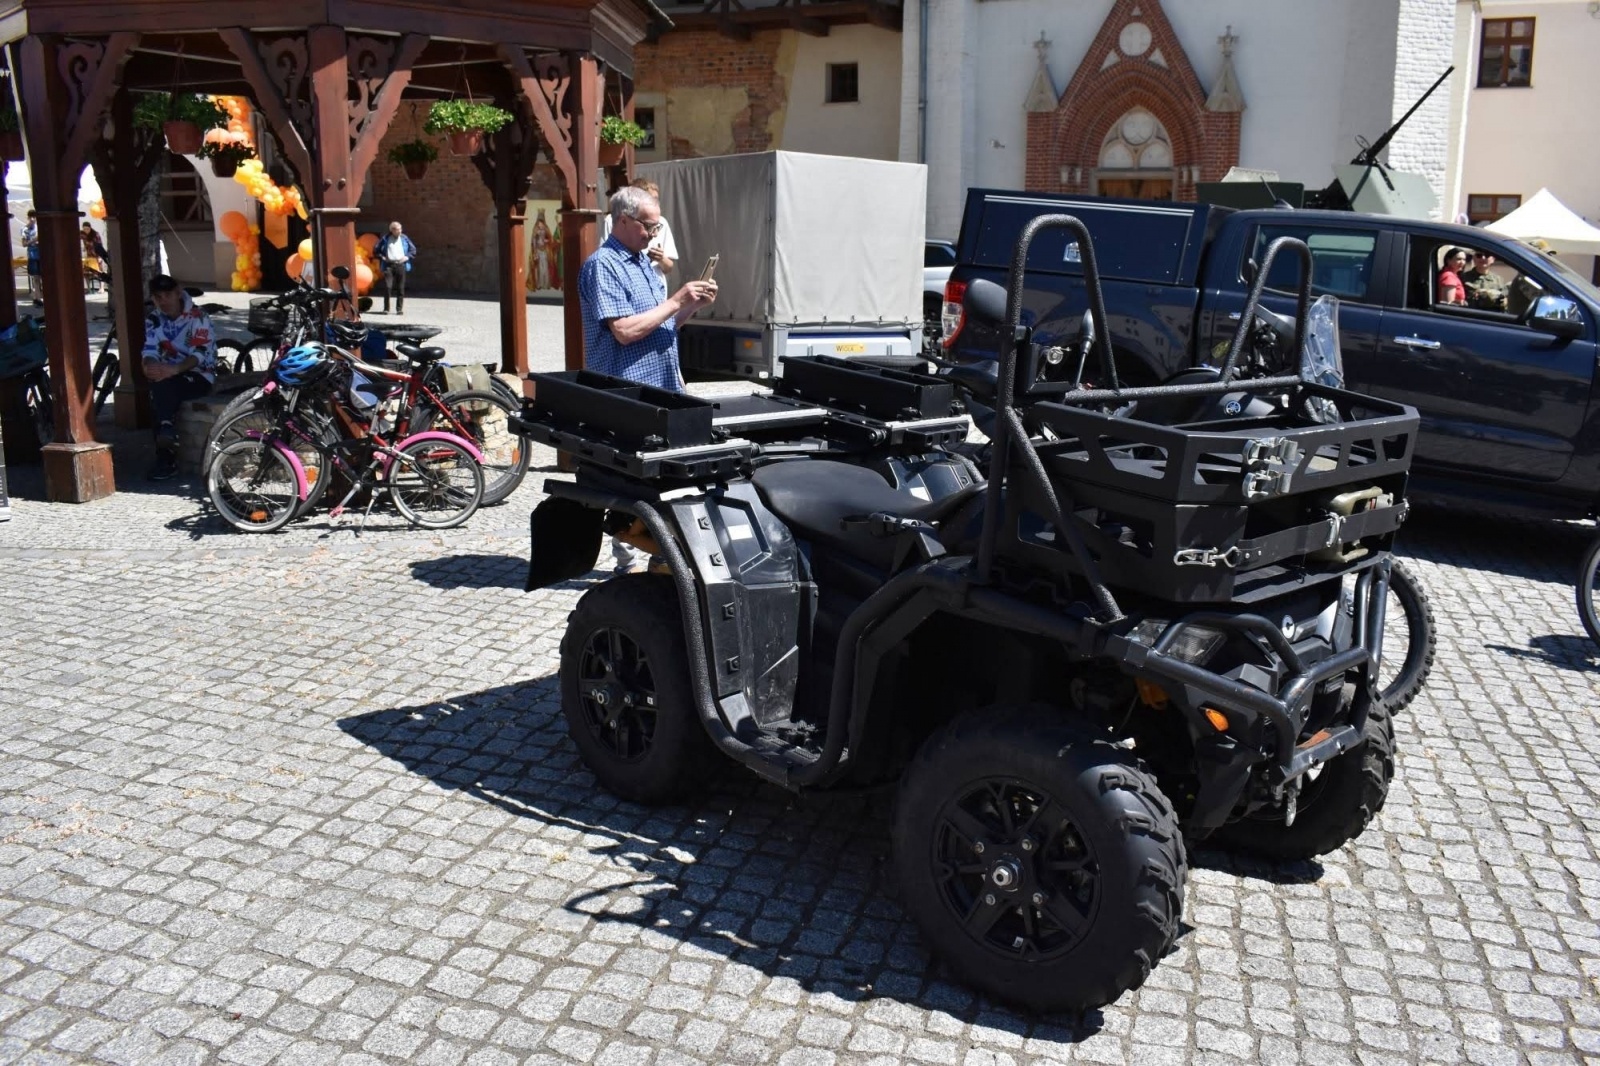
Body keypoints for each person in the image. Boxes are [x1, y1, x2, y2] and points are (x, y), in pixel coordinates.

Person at [579, 185, 716, 570]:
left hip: (661, 386)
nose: (654, 235)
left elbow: (661, 326)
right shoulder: (602, 265)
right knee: (626, 481)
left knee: (664, 480)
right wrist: (675, 300)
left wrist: (688, 306)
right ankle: (627, 562)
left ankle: (661, 560)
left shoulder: (644, 263)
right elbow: (624, 330)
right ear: (622, 220)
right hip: (625, 393)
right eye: (648, 227)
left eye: (657, 228)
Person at [142, 274, 217, 481]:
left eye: (167, 295)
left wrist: (174, 369)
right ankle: (166, 435)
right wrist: (149, 366)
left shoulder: (198, 317)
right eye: (158, 297)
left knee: (163, 387)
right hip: (168, 375)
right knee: (158, 383)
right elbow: (149, 349)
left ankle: (165, 454)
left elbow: (199, 354)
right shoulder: (153, 319)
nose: (163, 301)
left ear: (177, 293)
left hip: (200, 374)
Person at [599, 178, 677, 293]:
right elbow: (605, 255)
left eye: (657, 200)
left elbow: (669, 267)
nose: (654, 234)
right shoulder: (611, 222)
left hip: (656, 294)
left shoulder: (662, 222)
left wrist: (660, 259)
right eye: (648, 226)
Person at [378, 220, 417, 315]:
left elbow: (413, 250)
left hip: (401, 265)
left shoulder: (404, 238)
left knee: (400, 288)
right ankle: (386, 309)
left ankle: (399, 309)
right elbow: (376, 250)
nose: (400, 231)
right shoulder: (385, 239)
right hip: (389, 266)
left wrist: (407, 257)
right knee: (388, 287)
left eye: (400, 229)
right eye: (397, 230)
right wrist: (382, 257)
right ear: (392, 230)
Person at [22, 210, 41, 306]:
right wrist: (34, 240)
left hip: (42, 254)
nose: (33, 219)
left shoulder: (40, 227)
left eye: (34, 217)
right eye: (31, 217)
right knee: (36, 277)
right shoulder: (25, 229)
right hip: (33, 255)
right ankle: (37, 298)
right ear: (28, 218)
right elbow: (24, 244)